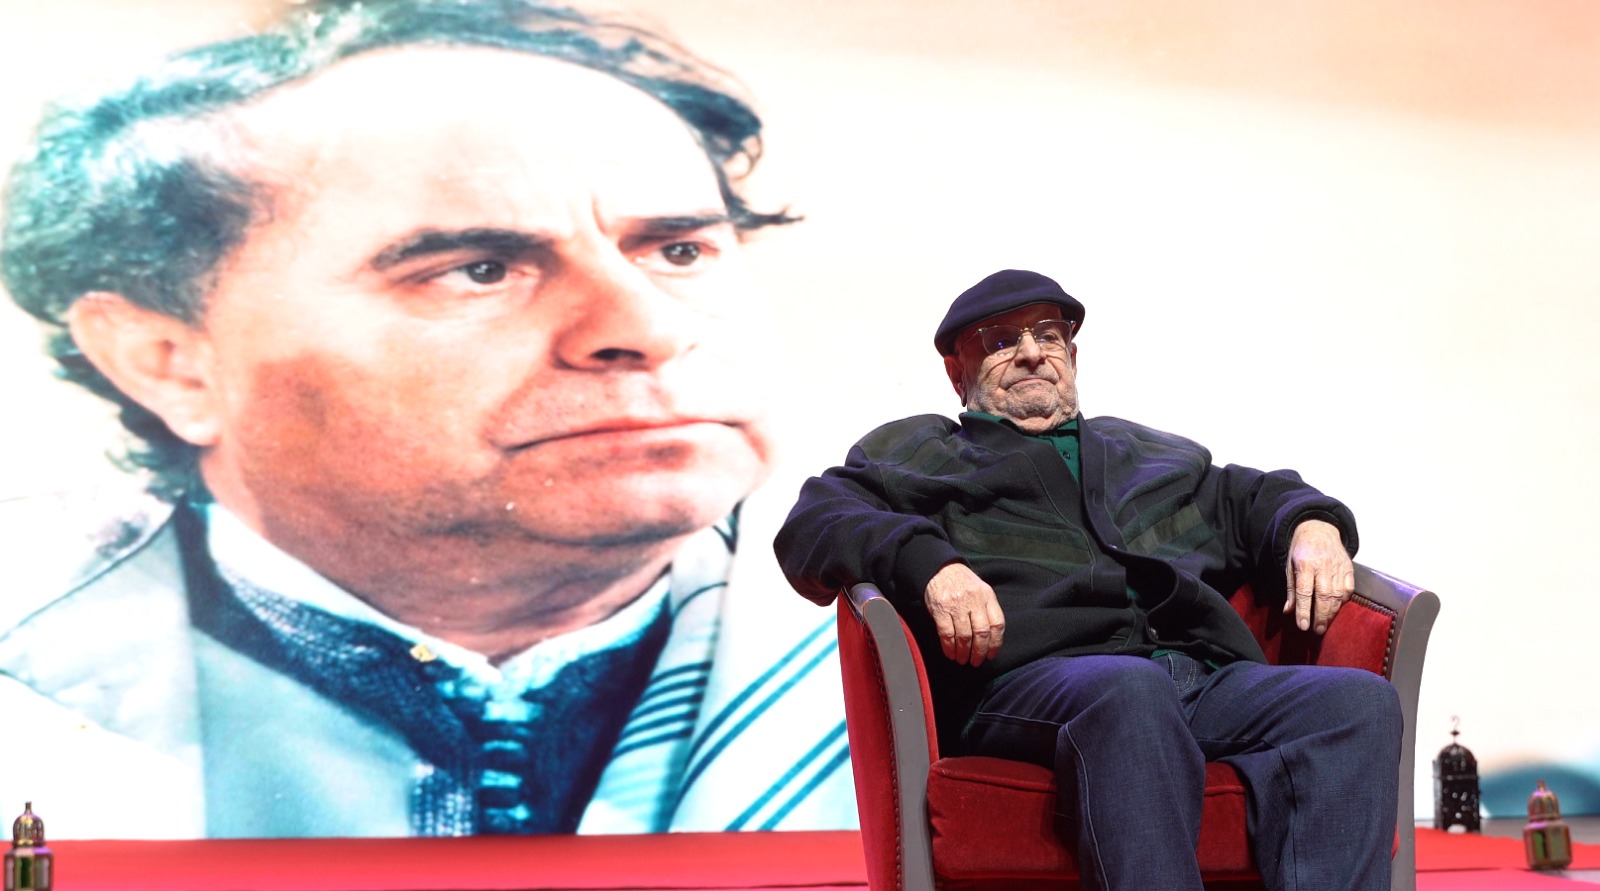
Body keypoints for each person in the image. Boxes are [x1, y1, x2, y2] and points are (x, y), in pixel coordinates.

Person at [0, 0, 853, 840]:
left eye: (679, 251)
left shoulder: (910, 639)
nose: (651, 328)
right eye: (479, 270)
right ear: (170, 362)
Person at [773, 269, 1403, 891]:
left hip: (1196, 680)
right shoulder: (922, 453)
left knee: (1356, 703)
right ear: (956, 372)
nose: (1031, 353)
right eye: (1000, 341)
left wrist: (1311, 525)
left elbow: (1254, 497)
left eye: (1048, 335)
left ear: (1071, 356)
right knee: (1130, 689)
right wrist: (930, 565)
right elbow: (815, 521)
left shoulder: (1151, 455)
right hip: (1029, 684)